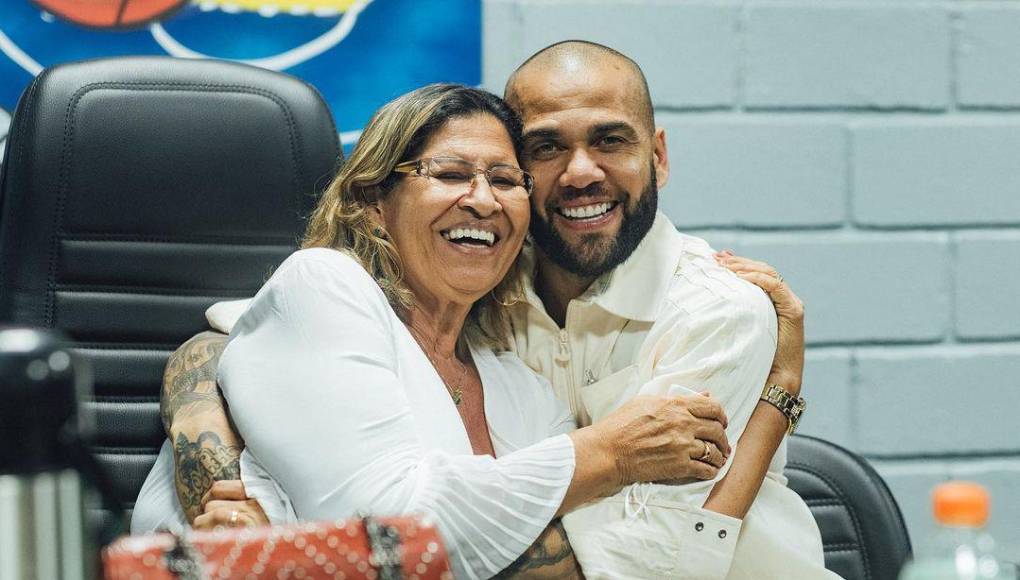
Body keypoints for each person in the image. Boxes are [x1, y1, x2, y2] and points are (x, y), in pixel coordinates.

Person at [140, 41, 832, 579]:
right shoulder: (369, 295)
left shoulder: (526, 372)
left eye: (503, 178)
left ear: (658, 157)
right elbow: (223, 343)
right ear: (372, 203)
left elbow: (644, 561)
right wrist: (609, 454)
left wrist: (779, 400)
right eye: (449, 173)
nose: (483, 197)